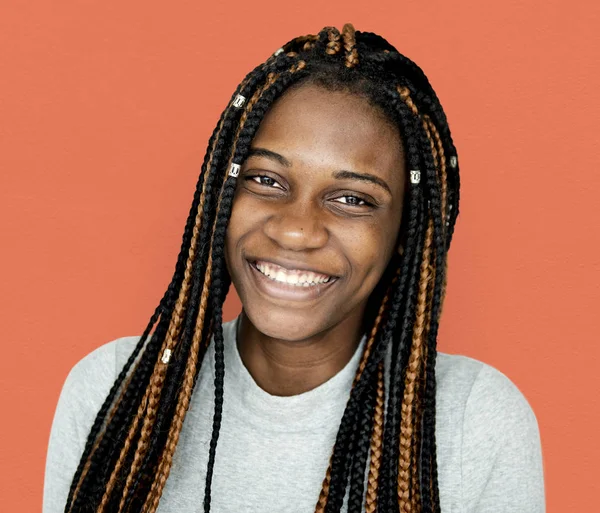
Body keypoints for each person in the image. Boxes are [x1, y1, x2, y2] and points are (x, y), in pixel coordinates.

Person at [43, 24, 545, 513]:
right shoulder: (115, 388)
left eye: (353, 198)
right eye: (266, 179)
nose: (297, 230)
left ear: (404, 235)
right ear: (222, 195)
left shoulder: (472, 419)